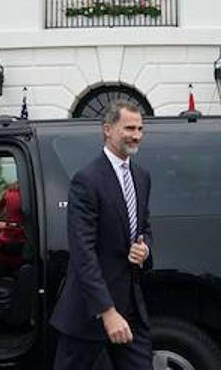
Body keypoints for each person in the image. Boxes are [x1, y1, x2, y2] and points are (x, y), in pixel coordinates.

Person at [51, 101, 153, 370]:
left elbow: (145, 228)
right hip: (88, 310)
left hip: (131, 307)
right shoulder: (86, 180)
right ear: (108, 129)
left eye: (140, 128)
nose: (137, 135)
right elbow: (83, 252)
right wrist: (107, 312)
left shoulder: (142, 177)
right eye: (129, 128)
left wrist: (145, 250)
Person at [0, 163, 25, 271]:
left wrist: (7, 226)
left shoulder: (9, 193)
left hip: (3, 251)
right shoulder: (42, 196)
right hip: (27, 254)